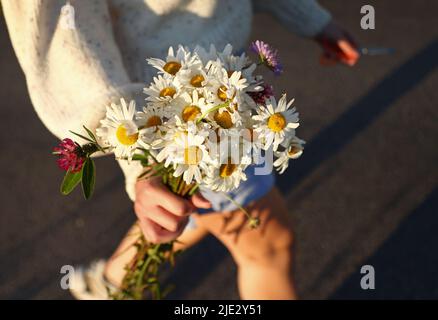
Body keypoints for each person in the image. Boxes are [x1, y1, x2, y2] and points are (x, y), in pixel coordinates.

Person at [2, 0, 359, 299]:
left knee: (186, 211)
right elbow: (64, 31)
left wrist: (313, 20)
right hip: (164, 104)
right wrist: (141, 156)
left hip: (224, 89)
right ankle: (111, 283)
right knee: (270, 246)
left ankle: (110, 283)